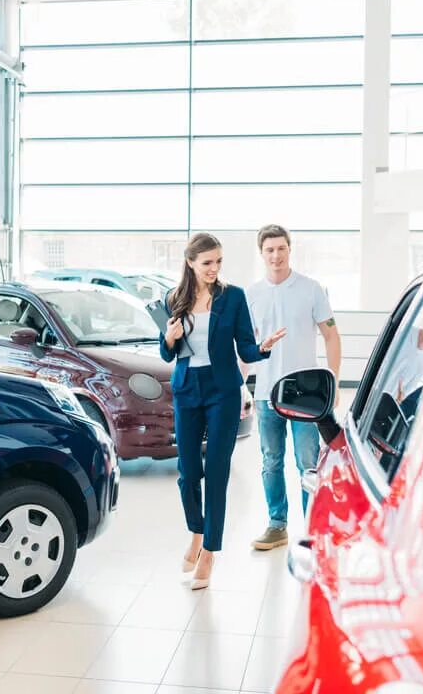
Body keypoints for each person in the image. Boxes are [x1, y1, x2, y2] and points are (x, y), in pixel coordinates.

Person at [160, 232, 285, 589]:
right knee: (187, 472)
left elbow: (245, 348)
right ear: (190, 263)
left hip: (223, 391)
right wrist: (168, 339)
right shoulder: (175, 298)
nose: (214, 269)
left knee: (216, 471)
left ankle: (210, 551)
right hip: (187, 389)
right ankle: (196, 532)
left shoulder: (233, 297)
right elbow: (168, 353)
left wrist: (263, 348)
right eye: (207, 263)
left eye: (218, 262)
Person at [246, 224, 342, 551]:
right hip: (265, 394)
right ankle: (277, 525)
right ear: (262, 253)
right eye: (269, 250)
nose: (275, 255)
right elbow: (245, 347)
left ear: (290, 250)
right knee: (271, 460)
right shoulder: (252, 295)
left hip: (306, 394)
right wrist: (240, 387)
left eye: (281, 249)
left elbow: (331, 335)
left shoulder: (311, 289)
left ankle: (313, 528)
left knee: (308, 463)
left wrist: (334, 379)